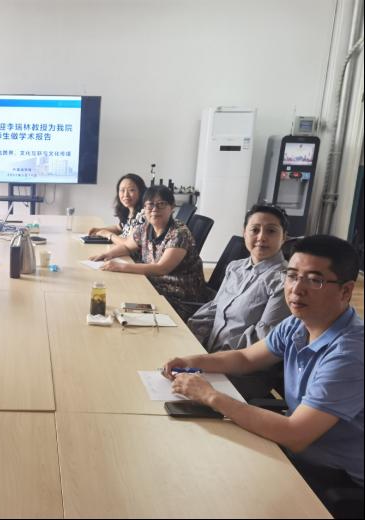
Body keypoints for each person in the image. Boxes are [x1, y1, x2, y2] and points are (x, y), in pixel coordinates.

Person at [163, 235, 363, 518]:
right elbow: (246, 358)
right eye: (291, 275)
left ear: (345, 291)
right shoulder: (297, 324)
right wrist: (192, 361)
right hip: (297, 451)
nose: (296, 289)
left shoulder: (350, 354)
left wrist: (210, 396)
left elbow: (295, 435)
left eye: (314, 280)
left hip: (335, 476)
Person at [89, 185, 205, 320]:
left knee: (121, 302)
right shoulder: (145, 227)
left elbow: (162, 268)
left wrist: (121, 266)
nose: (155, 209)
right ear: (144, 208)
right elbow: (127, 247)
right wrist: (107, 255)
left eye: (161, 204)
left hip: (178, 299)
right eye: (150, 205)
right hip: (155, 287)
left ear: (172, 207)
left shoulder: (179, 233)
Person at [187, 204, 291, 352]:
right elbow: (213, 310)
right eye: (255, 230)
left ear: (284, 237)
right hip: (205, 352)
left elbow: (261, 341)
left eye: (271, 231)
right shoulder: (235, 267)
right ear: (244, 233)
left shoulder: (284, 282)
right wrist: (188, 339)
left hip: (234, 363)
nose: (261, 237)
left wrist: (208, 360)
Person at [87, 173, 147, 246]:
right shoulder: (128, 211)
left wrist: (108, 234)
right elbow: (119, 228)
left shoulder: (143, 215)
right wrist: (100, 230)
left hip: (130, 253)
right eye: (122, 190)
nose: (125, 195)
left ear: (141, 192)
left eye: (131, 190)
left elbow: (129, 244)